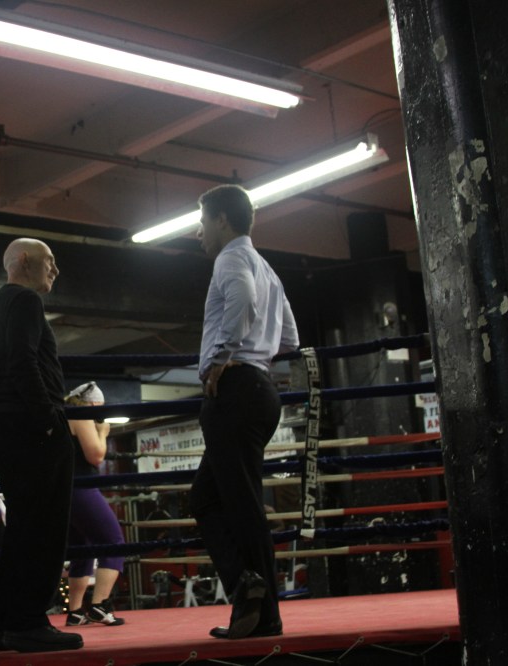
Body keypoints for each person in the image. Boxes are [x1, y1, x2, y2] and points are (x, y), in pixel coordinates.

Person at [189, 184, 299, 640]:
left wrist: (220, 358)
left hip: (236, 388)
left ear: (221, 221)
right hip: (259, 387)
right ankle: (251, 595)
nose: (198, 233)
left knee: (239, 504)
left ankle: (257, 604)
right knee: (209, 499)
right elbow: (289, 337)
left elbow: (243, 302)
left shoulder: (231, 259)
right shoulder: (267, 267)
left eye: (202, 222)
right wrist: (255, 355)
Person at [0, 238, 83, 653]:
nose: (55, 270)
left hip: (7, 423)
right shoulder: (25, 302)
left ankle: (5, 622)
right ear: (24, 261)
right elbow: (23, 362)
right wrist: (47, 423)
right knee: (44, 527)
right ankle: (29, 623)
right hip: (32, 425)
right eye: (49, 261)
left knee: (23, 526)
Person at [63, 382, 126, 627]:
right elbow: (96, 455)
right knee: (114, 542)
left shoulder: (62, 415)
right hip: (80, 487)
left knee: (83, 547)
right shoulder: (81, 416)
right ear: (92, 404)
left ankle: (76, 612)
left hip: (65, 488)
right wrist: (103, 433)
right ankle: (100, 605)